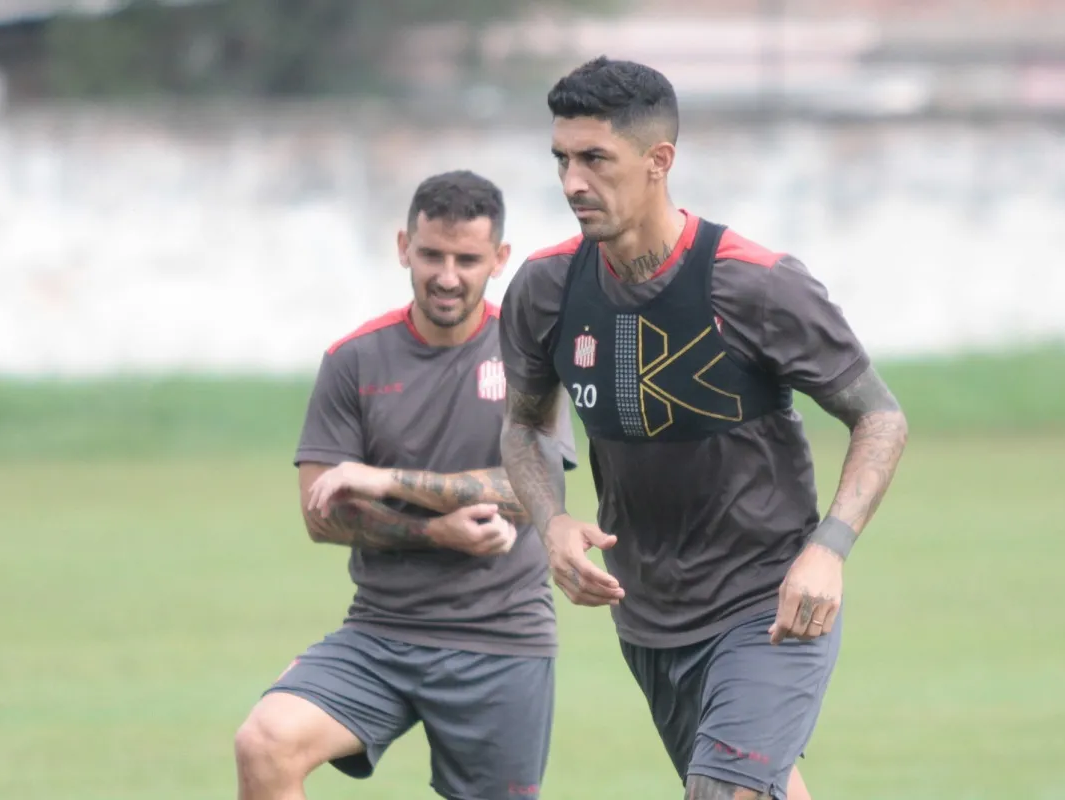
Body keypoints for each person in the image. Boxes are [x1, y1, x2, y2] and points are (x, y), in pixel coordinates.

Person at [497, 57, 909, 800]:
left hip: (769, 600)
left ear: (659, 162)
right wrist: (551, 522)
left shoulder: (757, 282)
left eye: (595, 159)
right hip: (648, 616)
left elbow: (879, 416)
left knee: (722, 793)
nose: (571, 183)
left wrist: (829, 550)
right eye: (561, 159)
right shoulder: (546, 289)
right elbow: (523, 427)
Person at [234, 170, 579, 800]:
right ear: (403, 248)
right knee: (265, 743)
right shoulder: (355, 359)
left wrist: (385, 478)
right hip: (380, 630)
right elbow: (321, 514)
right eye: (432, 255)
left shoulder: (530, 355)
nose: (447, 275)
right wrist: (433, 530)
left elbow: (531, 493)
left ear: (498, 260)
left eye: (468, 259)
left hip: (501, 640)